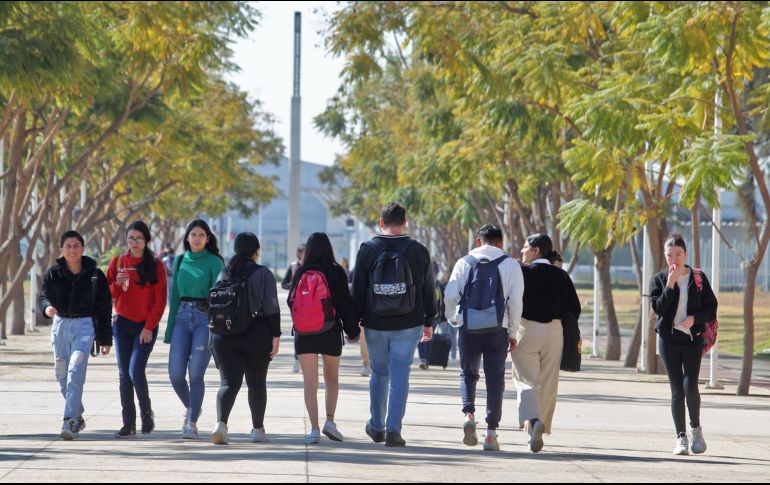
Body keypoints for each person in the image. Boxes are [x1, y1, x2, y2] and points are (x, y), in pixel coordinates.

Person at [352, 202, 436, 447]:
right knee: (401, 373)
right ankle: (393, 431)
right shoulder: (418, 250)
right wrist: (429, 321)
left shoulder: (367, 250)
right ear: (405, 223)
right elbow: (429, 289)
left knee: (379, 373)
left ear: (381, 222)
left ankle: (376, 426)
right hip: (409, 323)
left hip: (375, 323)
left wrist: (354, 323)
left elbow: (357, 289)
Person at [444, 225, 524, 451]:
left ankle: (469, 415)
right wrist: (512, 333)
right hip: (497, 330)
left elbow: (450, 295)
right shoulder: (510, 265)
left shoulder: (464, 262)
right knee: (495, 380)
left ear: (478, 242)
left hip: (469, 328)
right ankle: (491, 434)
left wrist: (453, 318)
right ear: (500, 243)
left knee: (468, 373)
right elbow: (516, 303)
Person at [39, 230, 112, 440]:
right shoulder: (53, 274)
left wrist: (106, 339)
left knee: (75, 371)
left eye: (76, 246)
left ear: (82, 248)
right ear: (61, 250)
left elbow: (104, 307)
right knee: (61, 374)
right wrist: (47, 308)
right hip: (60, 325)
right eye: (68, 246)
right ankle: (78, 413)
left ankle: (69, 420)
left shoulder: (95, 275)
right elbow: (43, 296)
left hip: (84, 327)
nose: (72, 250)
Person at [511, 234, 581, 453]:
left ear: (536, 250)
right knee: (548, 383)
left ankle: (532, 422)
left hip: (526, 330)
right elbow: (575, 309)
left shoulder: (520, 273)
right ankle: (541, 423)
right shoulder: (562, 275)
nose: (522, 251)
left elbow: (510, 302)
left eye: (525, 248)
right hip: (554, 333)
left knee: (525, 380)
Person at [210, 233, 281, 445]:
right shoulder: (263, 273)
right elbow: (271, 307)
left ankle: (220, 425)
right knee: (257, 383)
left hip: (224, 335)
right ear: (256, 251)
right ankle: (258, 430)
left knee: (228, 384)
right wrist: (276, 336)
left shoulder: (225, 272)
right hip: (257, 333)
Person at [289, 233, 360, 444]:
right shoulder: (336, 271)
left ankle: (313, 428)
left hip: (304, 335)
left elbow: (291, 303)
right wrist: (353, 331)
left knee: (310, 382)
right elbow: (344, 303)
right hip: (329, 332)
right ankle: (330, 421)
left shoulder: (300, 272)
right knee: (331, 379)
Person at [650, 233, 717, 455]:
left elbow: (711, 308)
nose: (674, 259)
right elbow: (659, 309)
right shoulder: (660, 279)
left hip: (692, 340)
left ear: (685, 254)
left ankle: (696, 429)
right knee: (676, 389)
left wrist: (694, 319)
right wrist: (670, 283)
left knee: (690, 385)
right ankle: (681, 438)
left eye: (678, 254)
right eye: (670, 255)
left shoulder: (698, 278)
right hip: (668, 341)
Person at [164, 219, 225, 439]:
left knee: (195, 375)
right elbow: (175, 298)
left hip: (204, 319)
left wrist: (218, 329)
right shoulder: (180, 261)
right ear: (187, 237)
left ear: (208, 238)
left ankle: (191, 422)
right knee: (175, 374)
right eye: (193, 234)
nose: (197, 238)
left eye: (201, 234)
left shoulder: (214, 262)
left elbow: (220, 295)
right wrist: (169, 331)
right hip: (181, 317)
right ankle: (193, 406)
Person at [106, 221, 167, 438]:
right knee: (124, 375)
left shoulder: (156, 264)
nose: (134, 242)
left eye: (138, 238)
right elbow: (107, 296)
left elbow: (160, 301)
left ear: (146, 241)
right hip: (121, 323)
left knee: (135, 370)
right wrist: (116, 284)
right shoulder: (118, 262)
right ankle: (128, 423)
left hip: (145, 326)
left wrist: (149, 327)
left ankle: (146, 412)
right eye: (130, 238)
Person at [283, 243, 306, 373]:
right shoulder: (293, 267)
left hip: (310, 304)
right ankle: (296, 358)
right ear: (299, 253)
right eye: (304, 252)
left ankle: (304, 356)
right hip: (296, 303)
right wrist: (292, 285)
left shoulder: (312, 266)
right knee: (298, 330)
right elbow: (284, 284)